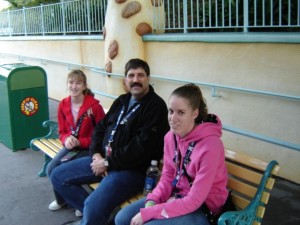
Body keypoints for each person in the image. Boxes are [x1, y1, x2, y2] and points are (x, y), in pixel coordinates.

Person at [50, 58, 170, 225]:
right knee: (57, 175)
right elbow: (100, 128)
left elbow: (142, 148)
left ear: (148, 79)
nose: (135, 80)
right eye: (131, 75)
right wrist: (96, 155)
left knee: (93, 205)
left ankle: (93, 216)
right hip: (104, 161)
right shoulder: (122, 100)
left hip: (131, 171)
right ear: (126, 80)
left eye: (140, 75)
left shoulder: (155, 106)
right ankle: (95, 218)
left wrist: (108, 163)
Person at [115, 83, 233, 225]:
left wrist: (153, 212)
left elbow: (195, 200)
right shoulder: (170, 137)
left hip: (204, 209)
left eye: (181, 112)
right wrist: (153, 200)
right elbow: (168, 176)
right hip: (178, 197)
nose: (173, 118)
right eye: (171, 111)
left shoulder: (211, 146)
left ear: (195, 113)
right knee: (121, 219)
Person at [47, 69, 106, 213]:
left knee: (62, 169)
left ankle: (82, 202)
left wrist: (81, 142)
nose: (74, 86)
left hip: (90, 148)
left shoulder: (95, 107)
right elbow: (62, 131)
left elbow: (103, 136)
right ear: (67, 85)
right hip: (72, 147)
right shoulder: (63, 104)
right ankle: (63, 200)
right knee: (50, 168)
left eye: (78, 83)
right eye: (71, 82)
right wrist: (66, 139)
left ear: (84, 86)